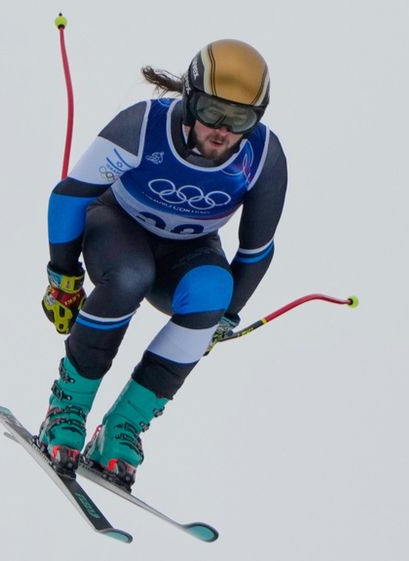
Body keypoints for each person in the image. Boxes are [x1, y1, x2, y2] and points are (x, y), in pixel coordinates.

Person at [38, 39, 287, 490]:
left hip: (187, 249)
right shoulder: (144, 125)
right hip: (116, 225)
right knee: (131, 276)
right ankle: (68, 407)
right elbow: (71, 196)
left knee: (214, 290)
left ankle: (122, 428)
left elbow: (255, 251)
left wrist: (224, 318)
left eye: (240, 120)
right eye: (212, 112)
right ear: (190, 100)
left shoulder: (263, 157)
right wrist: (63, 276)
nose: (222, 131)